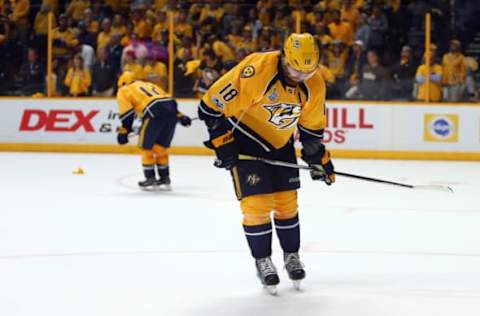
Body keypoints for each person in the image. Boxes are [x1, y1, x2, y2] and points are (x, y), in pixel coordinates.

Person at [198, 33, 335, 294]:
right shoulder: (257, 70)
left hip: (281, 143)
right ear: (284, 58)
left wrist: (319, 159)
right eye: (295, 69)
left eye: (307, 71)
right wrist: (222, 140)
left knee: (287, 204)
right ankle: (263, 260)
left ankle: (291, 256)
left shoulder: (314, 82)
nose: (300, 76)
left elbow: (311, 129)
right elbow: (210, 108)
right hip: (244, 141)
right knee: (257, 206)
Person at [116, 72, 192, 189]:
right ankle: (164, 177)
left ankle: (150, 178)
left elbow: (127, 114)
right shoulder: (148, 84)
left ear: (122, 82)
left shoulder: (124, 90)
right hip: (170, 109)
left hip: (154, 113)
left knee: (146, 147)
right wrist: (180, 116)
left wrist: (124, 131)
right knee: (161, 147)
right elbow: (168, 103)